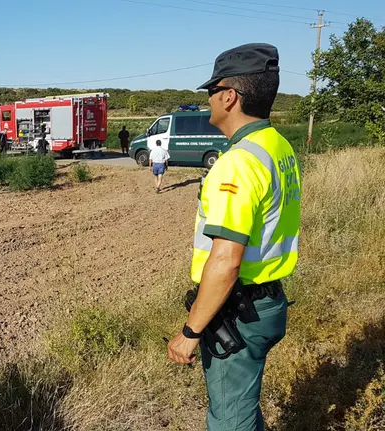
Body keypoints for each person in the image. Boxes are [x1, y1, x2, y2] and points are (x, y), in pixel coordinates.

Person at [165, 43, 301, 431]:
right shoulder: (277, 146)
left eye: (211, 92)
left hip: (240, 311)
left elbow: (225, 260)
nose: (208, 100)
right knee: (243, 404)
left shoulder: (237, 163)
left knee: (231, 420)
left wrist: (190, 332)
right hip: (270, 301)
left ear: (230, 97)